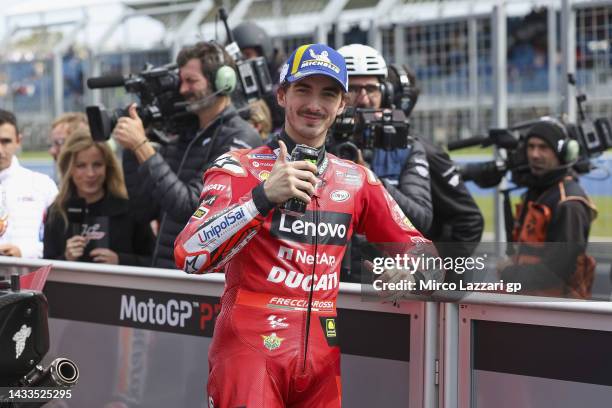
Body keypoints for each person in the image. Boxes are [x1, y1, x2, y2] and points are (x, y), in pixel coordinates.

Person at [174, 43, 437, 407]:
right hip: (249, 352)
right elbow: (189, 254)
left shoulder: (356, 179)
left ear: (341, 105)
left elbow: (424, 250)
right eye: (303, 90)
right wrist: (262, 198)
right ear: (282, 95)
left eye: (328, 94)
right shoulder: (240, 167)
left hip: (322, 357)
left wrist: (410, 269)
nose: (315, 104)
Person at [337, 44, 483, 283]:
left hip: (385, 285)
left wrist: (430, 276)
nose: (363, 98)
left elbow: (424, 219)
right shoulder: (316, 143)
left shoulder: (408, 148)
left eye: (371, 89)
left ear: (385, 93)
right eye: (352, 89)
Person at [113, 41, 261, 268]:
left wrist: (142, 145)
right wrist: (132, 149)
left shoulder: (241, 138)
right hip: (163, 274)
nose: (183, 90)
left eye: (191, 81)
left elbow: (189, 207)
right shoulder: (182, 135)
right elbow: (143, 210)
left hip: (201, 284)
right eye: (182, 81)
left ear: (223, 82)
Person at [499, 119, 597, 298]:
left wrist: (509, 273)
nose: (535, 154)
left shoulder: (569, 203)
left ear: (562, 154)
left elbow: (559, 269)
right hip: (529, 301)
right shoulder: (539, 192)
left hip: (556, 310)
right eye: (531, 146)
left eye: (543, 147)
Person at [43, 129, 155, 266]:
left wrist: (120, 260)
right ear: (69, 169)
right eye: (81, 166)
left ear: (108, 167)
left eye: (97, 165)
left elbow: (154, 261)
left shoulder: (129, 209)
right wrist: (66, 258)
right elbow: (46, 269)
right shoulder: (57, 212)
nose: (90, 173)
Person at [0, 109, 57, 258]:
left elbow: (61, 242)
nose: (0, 150)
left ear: (18, 141)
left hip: (29, 277)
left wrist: (24, 252)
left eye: (6, 141)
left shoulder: (42, 185)